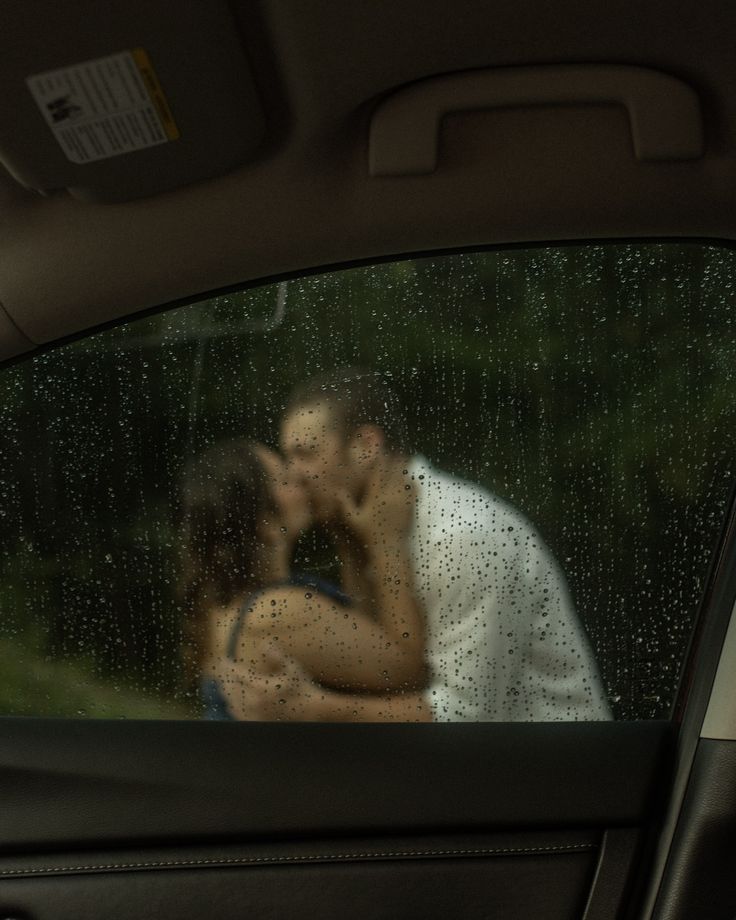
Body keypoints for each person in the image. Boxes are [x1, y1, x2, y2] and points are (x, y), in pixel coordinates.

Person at [221, 368, 611, 722]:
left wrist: (313, 708)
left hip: (555, 776)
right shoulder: (368, 525)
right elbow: (384, 661)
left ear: (366, 445)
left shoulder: (462, 536)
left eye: (305, 453)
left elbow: (466, 715)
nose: (293, 474)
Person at [179, 437, 426, 719]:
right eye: (284, 478)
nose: (299, 478)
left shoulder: (232, 604)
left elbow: (366, 631)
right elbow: (409, 670)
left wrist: (347, 539)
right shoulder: (277, 613)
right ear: (265, 523)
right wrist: (387, 541)